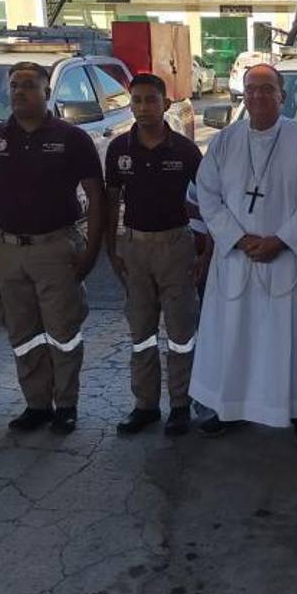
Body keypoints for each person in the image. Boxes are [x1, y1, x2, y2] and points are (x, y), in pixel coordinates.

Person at [190, 63, 297, 448]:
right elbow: (207, 195)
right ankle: (230, 406)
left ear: (282, 96)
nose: (258, 95)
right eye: (251, 88)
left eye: (267, 88)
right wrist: (237, 238)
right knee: (235, 337)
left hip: (289, 261)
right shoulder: (224, 142)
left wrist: (281, 240)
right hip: (236, 260)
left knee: (293, 337)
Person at [0, 62, 104, 435]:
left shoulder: (71, 138)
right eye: (14, 85)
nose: (20, 91)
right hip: (8, 250)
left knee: (63, 333)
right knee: (23, 334)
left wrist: (91, 252)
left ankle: (66, 405)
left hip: (56, 248)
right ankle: (36, 404)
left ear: (47, 93)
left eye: (29, 85)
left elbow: (97, 197)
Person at [105, 73, 208, 436]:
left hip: (175, 246)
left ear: (165, 104)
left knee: (181, 332)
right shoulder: (119, 149)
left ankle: (180, 404)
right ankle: (145, 405)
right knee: (141, 332)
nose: (144, 107)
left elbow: (209, 200)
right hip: (135, 248)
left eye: (151, 100)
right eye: (137, 100)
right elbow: (111, 201)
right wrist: (112, 248)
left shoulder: (185, 150)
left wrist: (206, 252)